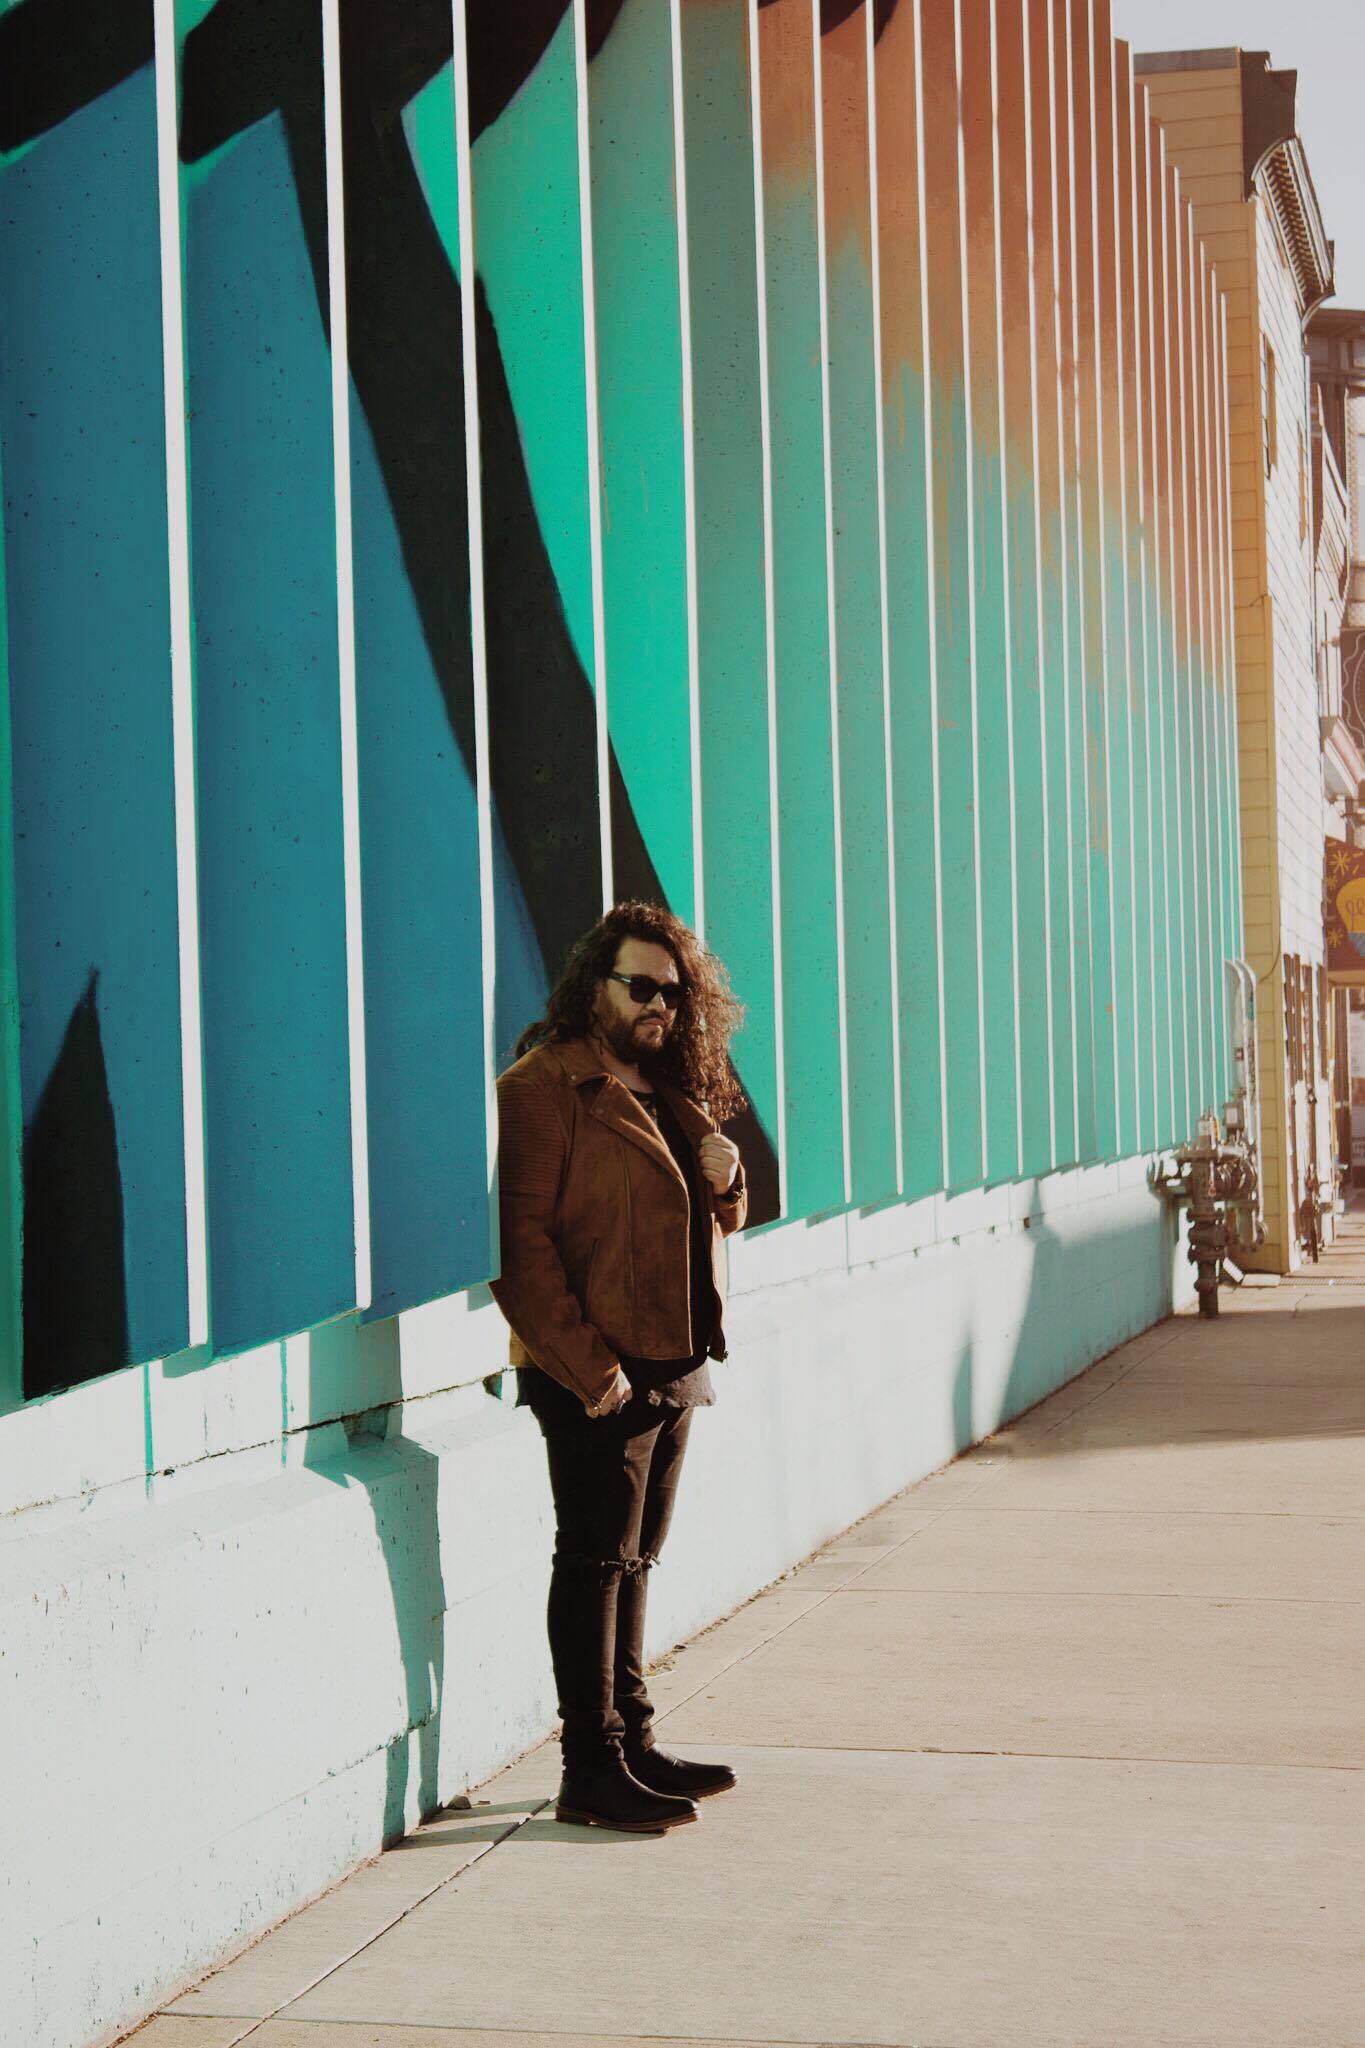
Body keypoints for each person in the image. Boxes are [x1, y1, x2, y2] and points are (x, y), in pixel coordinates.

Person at [489, 901, 748, 1834]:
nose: (658, 1006)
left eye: (673, 993)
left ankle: (633, 1739)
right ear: (593, 984)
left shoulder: (670, 1088)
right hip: (595, 1370)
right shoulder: (542, 1087)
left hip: (675, 1361)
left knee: (635, 1559)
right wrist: (593, 1374)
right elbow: (520, 1252)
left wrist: (728, 1180)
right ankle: (588, 1767)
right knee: (593, 1561)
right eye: (639, 986)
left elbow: (709, 1217)